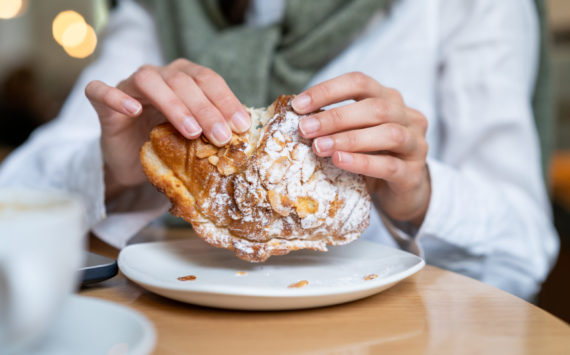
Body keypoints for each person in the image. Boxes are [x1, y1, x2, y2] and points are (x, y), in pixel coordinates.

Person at [0, 0, 559, 301]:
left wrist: (420, 194)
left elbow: (524, 254)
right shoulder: (160, 12)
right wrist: (111, 169)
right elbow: (12, 202)